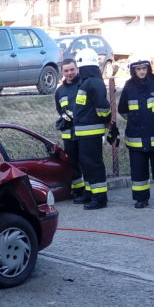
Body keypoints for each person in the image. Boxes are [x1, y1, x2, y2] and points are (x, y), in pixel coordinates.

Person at [117, 56, 154, 208]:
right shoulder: (129, 86)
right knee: (138, 172)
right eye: (138, 69)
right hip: (136, 137)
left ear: (148, 68)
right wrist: (136, 119)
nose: (141, 72)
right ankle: (141, 199)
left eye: (144, 68)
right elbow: (122, 110)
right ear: (133, 70)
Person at [67, 48, 113, 210]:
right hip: (83, 133)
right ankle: (89, 192)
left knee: (93, 165)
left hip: (91, 132)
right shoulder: (86, 83)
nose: (77, 71)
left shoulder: (93, 82)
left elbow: (103, 106)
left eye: (79, 67)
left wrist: (106, 119)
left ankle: (100, 198)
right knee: (86, 164)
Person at [54, 58, 87, 203]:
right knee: (73, 164)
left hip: (84, 133)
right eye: (66, 70)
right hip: (68, 135)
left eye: (72, 69)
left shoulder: (83, 85)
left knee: (87, 162)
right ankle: (78, 191)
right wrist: (66, 117)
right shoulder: (60, 91)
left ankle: (90, 191)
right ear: (62, 72)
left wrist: (70, 116)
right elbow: (60, 110)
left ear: (77, 69)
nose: (69, 73)